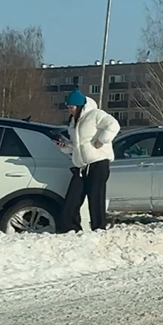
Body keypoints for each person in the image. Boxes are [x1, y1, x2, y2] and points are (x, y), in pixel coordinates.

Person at [59, 88, 120, 233]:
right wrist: (65, 147)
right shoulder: (74, 122)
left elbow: (113, 125)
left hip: (98, 163)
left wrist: (102, 140)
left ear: (80, 106)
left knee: (96, 198)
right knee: (72, 198)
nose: (70, 111)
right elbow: (78, 146)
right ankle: (70, 228)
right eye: (68, 108)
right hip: (81, 166)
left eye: (72, 107)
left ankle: (99, 228)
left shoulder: (95, 115)